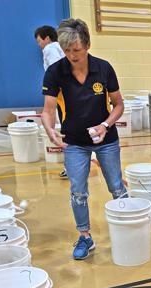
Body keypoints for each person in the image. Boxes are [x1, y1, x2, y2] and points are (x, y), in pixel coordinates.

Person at [41, 18, 127, 260]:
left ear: (87, 44)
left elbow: (119, 104)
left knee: (117, 187)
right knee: (78, 191)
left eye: (76, 50)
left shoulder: (104, 68)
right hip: (74, 142)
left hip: (106, 138)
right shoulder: (55, 72)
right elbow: (47, 110)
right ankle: (85, 237)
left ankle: (127, 226)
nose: (72, 55)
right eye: (67, 50)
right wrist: (51, 131)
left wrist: (105, 125)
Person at [34, 25, 67, 178]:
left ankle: (71, 167)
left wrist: (53, 90)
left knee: (66, 127)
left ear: (46, 38)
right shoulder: (60, 47)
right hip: (64, 92)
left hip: (61, 94)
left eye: (39, 41)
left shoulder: (50, 49)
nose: (39, 44)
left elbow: (55, 69)